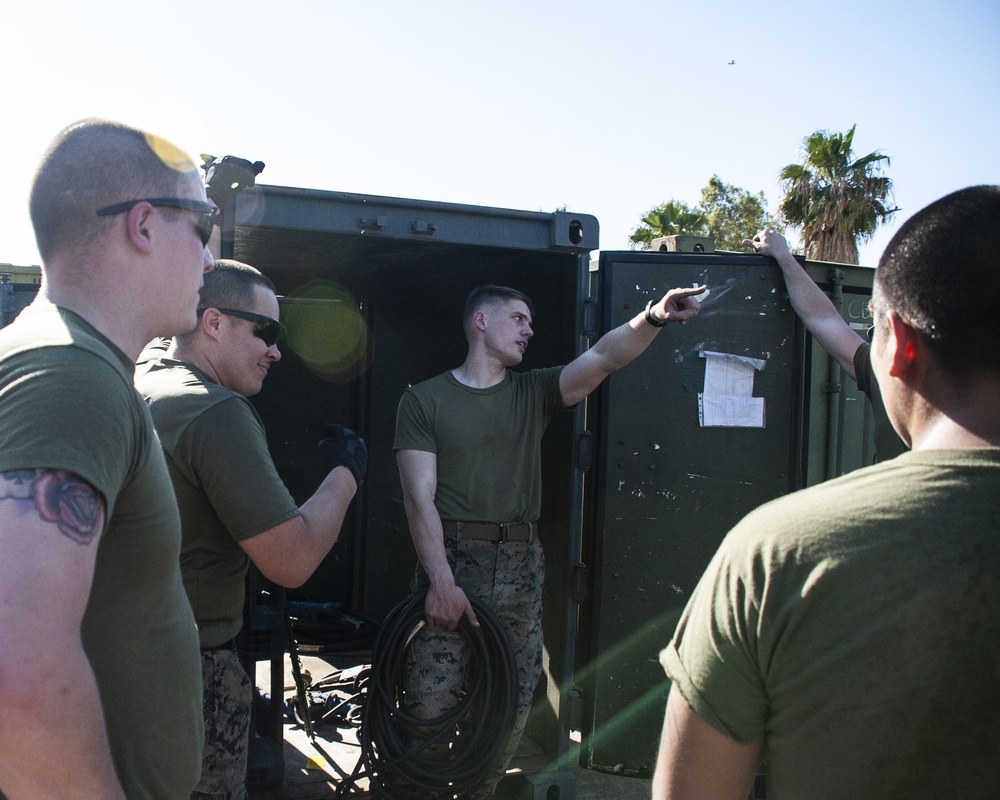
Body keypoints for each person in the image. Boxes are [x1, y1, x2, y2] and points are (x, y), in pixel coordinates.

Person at [654, 186, 1000, 800]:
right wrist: (788, 261)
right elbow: (822, 319)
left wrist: (787, 258)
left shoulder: (776, 553)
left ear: (902, 344)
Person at [395, 282, 706, 797]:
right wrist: (441, 583)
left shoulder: (534, 391)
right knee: (429, 702)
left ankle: (478, 791)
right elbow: (417, 497)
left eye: (529, 321)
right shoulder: (424, 399)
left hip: (520, 565)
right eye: (518, 318)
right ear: (481, 322)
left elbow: (605, 357)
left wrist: (653, 316)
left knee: (511, 704)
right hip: (451, 563)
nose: (529, 330)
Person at [0, 119, 214, 799]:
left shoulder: (64, 361)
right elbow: (18, 677)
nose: (209, 260)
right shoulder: (71, 375)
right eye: (202, 230)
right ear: (144, 225)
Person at [134, 259, 366, 800]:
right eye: (267, 332)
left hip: (127, 658)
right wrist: (347, 472)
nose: (276, 351)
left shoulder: (144, 377)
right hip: (189, 673)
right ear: (213, 323)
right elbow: (292, 559)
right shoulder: (214, 411)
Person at [743, 229, 907, 462]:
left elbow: (823, 319)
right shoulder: (878, 368)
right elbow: (822, 318)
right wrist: (784, 257)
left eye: (878, 333)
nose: (877, 343)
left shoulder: (883, 368)